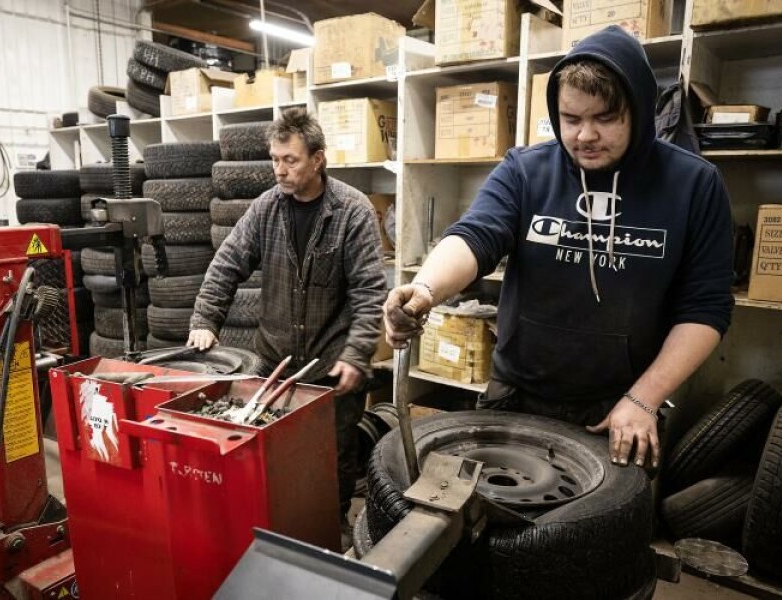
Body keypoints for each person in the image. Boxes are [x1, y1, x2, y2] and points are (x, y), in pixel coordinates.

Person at [384, 26, 733, 471]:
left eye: (605, 118)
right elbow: (475, 235)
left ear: (640, 111)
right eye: (571, 119)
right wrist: (426, 288)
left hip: (619, 409)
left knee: (598, 536)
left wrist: (645, 399)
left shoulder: (695, 185)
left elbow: (706, 310)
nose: (585, 135)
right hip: (516, 395)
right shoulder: (525, 172)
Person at [187, 107, 388, 543]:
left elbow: (371, 290)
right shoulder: (266, 209)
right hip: (275, 360)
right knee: (271, 451)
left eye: (290, 160)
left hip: (332, 366)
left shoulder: (352, 211)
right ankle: (276, 524)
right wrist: (206, 319)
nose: (279, 169)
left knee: (332, 457)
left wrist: (356, 354)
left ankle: (328, 530)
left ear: (317, 159)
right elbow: (227, 263)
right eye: (275, 159)